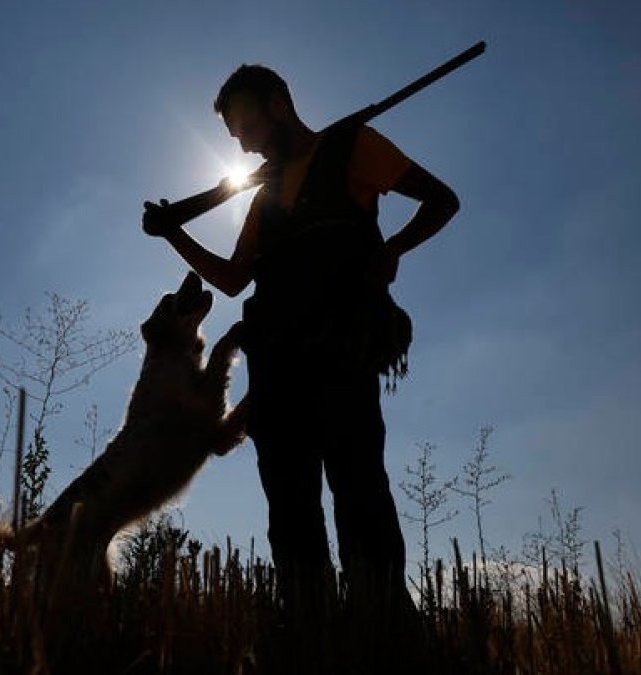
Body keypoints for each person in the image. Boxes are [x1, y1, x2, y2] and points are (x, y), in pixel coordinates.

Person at [144, 64, 459, 661]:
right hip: (277, 370)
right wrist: (172, 236)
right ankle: (309, 644)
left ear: (279, 102)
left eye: (245, 124)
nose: (241, 141)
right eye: (234, 133)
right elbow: (235, 280)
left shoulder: (354, 147)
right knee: (291, 516)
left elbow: (442, 200)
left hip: (341, 355)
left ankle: (387, 642)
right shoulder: (265, 195)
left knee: (360, 497)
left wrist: (392, 248)